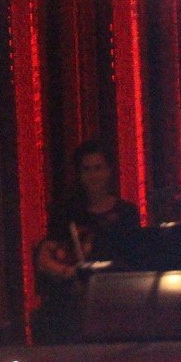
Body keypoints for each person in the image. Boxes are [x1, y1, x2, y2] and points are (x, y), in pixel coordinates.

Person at [34, 140, 141, 342]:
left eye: (99, 168)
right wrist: (69, 272)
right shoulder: (67, 212)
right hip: (75, 294)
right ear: (80, 175)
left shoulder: (126, 213)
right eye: (87, 169)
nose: (94, 175)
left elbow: (135, 259)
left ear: (109, 171)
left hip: (116, 293)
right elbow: (44, 258)